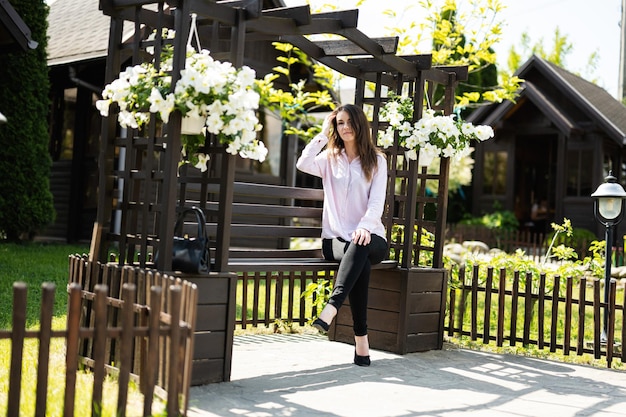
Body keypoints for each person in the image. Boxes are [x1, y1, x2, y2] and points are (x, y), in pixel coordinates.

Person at [296, 104, 388, 366]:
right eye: (340, 123)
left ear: (360, 125)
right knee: (357, 255)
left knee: (360, 244)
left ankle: (332, 306)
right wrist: (324, 134)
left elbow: (376, 203)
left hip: (371, 236)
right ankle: (361, 342)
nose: (345, 127)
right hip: (336, 240)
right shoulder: (329, 158)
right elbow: (303, 163)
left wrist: (364, 226)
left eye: (349, 122)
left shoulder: (377, 160)